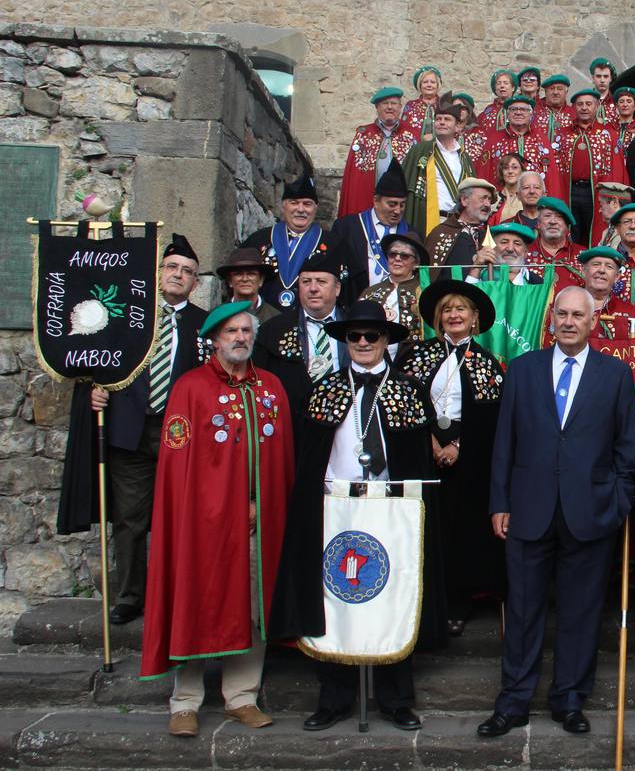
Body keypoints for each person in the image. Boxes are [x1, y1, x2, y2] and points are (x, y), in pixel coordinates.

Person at [269, 301, 445, 732]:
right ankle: (334, 696)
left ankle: (396, 697)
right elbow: (308, 457)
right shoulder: (324, 389)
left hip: (391, 508)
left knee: (393, 592)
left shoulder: (408, 389)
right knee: (338, 594)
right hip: (334, 507)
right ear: (345, 342)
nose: (364, 343)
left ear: (387, 341)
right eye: (355, 337)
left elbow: (418, 458)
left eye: (372, 336)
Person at [479, 287, 635, 738]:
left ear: (593, 321)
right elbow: (504, 442)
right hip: (527, 510)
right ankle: (513, 702)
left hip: (591, 512)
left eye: (577, 315)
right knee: (524, 610)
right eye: (562, 314)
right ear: (551, 318)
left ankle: (569, 700)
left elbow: (627, 447)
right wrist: (500, 502)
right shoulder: (523, 370)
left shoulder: (615, 374)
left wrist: (618, 501)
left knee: (580, 611)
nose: (568, 322)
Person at [140, 302, 294, 736]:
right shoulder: (191, 388)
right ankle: (186, 701)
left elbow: (281, 461)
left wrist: (260, 504)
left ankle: (241, 696)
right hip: (203, 524)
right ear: (214, 338)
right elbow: (178, 466)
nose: (240, 337)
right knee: (197, 598)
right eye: (231, 331)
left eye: (246, 330)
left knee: (251, 603)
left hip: (258, 521)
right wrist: (212, 509)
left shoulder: (272, 388)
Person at [89, 234, 208, 625]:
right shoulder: (126, 314)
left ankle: (175, 593)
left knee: (181, 517)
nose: (178, 275)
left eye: (187, 272)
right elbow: (99, 360)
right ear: (158, 274)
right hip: (130, 427)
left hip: (181, 432)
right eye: (172, 268)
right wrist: (95, 391)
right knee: (130, 518)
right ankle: (129, 595)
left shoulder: (202, 324)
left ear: (195, 283)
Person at [397, 279, 505, 634]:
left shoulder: (489, 363)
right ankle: (422, 597)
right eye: (448, 309)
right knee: (425, 524)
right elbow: (406, 404)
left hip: (468, 456)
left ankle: (458, 599)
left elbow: (491, 418)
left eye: (461, 309)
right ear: (438, 318)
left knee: (461, 527)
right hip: (422, 451)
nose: (454, 314)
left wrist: (457, 446)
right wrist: (432, 443)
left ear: (475, 318)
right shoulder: (416, 356)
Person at [254, 250, 349, 431]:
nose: (313, 288)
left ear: (337, 288)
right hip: (291, 426)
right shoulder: (272, 331)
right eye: (306, 282)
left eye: (321, 281)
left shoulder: (357, 328)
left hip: (346, 424)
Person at [242, 175, 336, 311]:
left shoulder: (334, 245)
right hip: (263, 321)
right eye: (294, 203)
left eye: (307, 204)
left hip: (312, 323)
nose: (301, 209)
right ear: (284, 206)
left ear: (316, 208)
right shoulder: (258, 241)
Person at [548, 88, 628, 241]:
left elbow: (618, 169)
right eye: (580, 104)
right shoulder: (563, 135)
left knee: (596, 231)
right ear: (574, 107)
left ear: (597, 106)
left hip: (598, 194)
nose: (584, 107)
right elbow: (554, 169)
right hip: (570, 191)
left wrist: (616, 197)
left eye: (588, 104)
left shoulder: (608, 134)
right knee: (571, 229)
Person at [337, 87, 420, 218]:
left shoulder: (413, 134)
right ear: (377, 107)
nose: (389, 107)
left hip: (402, 204)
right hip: (368, 202)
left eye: (394, 103)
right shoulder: (363, 135)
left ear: (400, 107)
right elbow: (354, 177)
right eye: (385, 104)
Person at [330, 167, 410, 300]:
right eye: (392, 204)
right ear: (376, 201)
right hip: (357, 306)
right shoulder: (347, 227)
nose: (397, 210)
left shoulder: (411, 233)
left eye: (402, 205)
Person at [402, 97, 470, 235]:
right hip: (429, 220)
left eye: (447, 119)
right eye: (438, 119)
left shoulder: (465, 158)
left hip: (459, 222)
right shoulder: (420, 151)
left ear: (457, 126)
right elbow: (405, 186)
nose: (442, 122)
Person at [357, 229, 430, 342]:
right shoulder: (370, 292)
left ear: (416, 263)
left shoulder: (424, 293)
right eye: (392, 254)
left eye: (404, 256)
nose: (397, 259)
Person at [473, 95, 550, 180]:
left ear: (530, 114)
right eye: (513, 109)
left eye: (523, 109)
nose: (518, 112)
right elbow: (483, 172)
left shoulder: (541, 139)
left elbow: (551, 175)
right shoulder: (494, 139)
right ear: (508, 114)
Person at [426, 178, 498, 270]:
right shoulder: (442, 233)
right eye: (482, 198)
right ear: (464, 200)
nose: (488, 204)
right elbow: (430, 275)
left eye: (489, 199)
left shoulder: (487, 235)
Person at [571, 246, 635, 338]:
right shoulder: (566, 306)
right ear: (583, 271)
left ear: (617, 276)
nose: (601, 270)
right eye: (596, 264)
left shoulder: (630, 314)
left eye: (609, 267)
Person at [215, 247, 278, 324]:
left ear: (261, 280)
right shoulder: (216, 317)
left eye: (251, 274)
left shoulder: (276, 318)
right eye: (238, 274)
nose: (245, 279)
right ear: (230, 281)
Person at [474, 223, 544, 285]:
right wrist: (475, 269)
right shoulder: (480, 276)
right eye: (504, 242)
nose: (510, 249)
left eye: (517, 244)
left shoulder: (537, 283)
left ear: (525, 252)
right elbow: (466, 299)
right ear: (492, 249)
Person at [401, 66, 442, 141]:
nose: (429, 85)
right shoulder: (411, 106)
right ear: (420, 85)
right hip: (415, 150)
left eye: (433, 82)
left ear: (437, 85)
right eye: (425, 82)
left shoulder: (445, 105)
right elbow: (403, 131)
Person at [532, 74, 575, 143]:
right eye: (551, 88)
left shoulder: (573, 113)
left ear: (566, 92)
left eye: (560, 89)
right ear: (545, 92)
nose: (555, 92)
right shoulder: (533, 109)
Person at [487, 153, 527, 227]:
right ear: (501, 172)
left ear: (522, 171)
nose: (510, 171)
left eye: (514, 167)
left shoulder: (528, 199)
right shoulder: (492, 199)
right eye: (506, 168)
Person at [588, 57, 617, 123]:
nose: (602, 80)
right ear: (593, 78)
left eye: (606, 76)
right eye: (598, 76)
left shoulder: (618, 103)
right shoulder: (582, 102)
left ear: (611, 79)